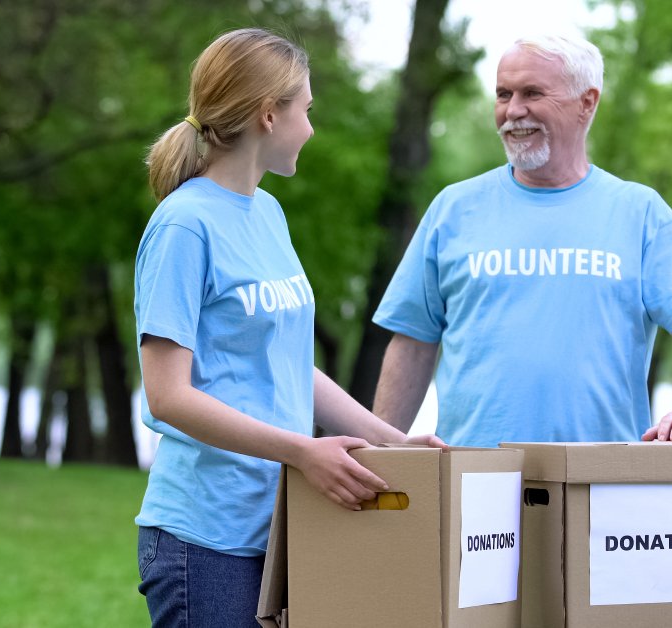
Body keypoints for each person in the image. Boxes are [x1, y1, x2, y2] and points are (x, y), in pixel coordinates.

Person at [133, 28, 443, 627]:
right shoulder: (184, 226)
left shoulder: (268, 213)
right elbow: (167, 396)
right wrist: (303, 451)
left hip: (281, 523)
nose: (310, 126)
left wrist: (394, 441)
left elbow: (287, 363)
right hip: (205, 538)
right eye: (306, 109)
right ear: (268, 115)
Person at [371, 34, 672, 448]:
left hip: (602, 482)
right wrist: (385, 453)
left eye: (532, 93)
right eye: (503, 94)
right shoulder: (454, 208)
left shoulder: (640, 211)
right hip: (474, 476)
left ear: (587, 102)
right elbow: (413, 342)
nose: (513, 111)